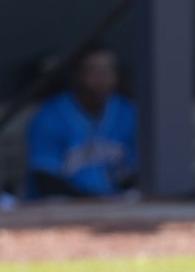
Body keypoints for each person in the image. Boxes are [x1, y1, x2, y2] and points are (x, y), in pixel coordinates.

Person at [25, 46, 137, 199]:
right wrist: (92, 202)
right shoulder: (49, 116)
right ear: (77, 75)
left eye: (107, 71)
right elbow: (45, 179)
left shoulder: (128, 112)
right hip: (62, 209)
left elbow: (139, 173)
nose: (101, 79)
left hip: (117, 206)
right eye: (94, 71)